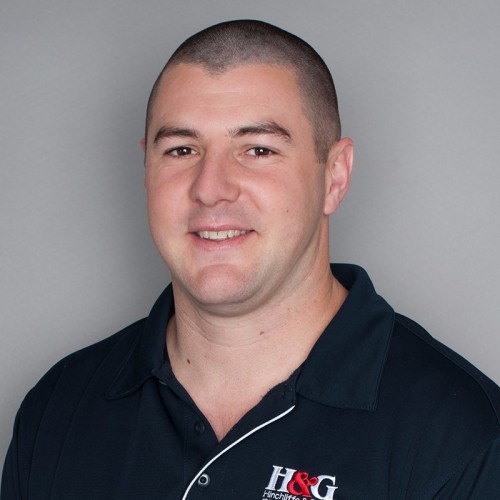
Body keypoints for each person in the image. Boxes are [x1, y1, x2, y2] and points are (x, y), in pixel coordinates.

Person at [2, 19, 500, 500]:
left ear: (335, 176)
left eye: (258, 150)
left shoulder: (461, 438)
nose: (210, 188)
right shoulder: (58, 409)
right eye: (181, 150)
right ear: (146, 169)